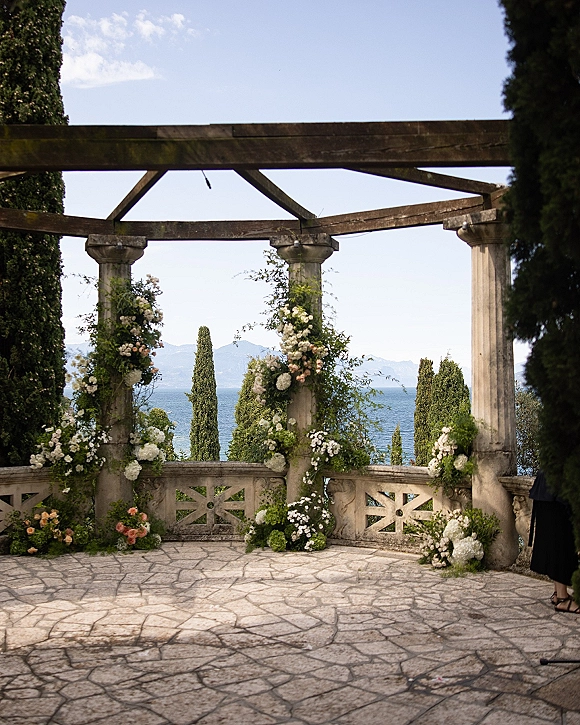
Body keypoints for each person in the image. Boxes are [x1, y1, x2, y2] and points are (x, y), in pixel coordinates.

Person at [529, 470, 580, 613]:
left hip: (548, 490)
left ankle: (559, 593)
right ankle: (563, 599)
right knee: (563, 543)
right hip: (557, 492)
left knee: (556, 542)